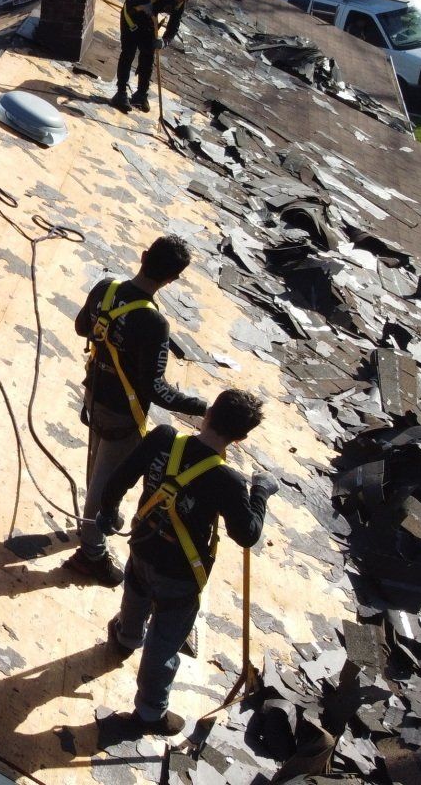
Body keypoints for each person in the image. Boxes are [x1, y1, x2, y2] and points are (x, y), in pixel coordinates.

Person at [94, 388, 277, 736]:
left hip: (143, 546)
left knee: (135, 591)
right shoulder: (230, 481)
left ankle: (126, 637)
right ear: (241, 438)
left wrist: (109, 510)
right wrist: (261, 494)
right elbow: (248, 533)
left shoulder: (164, 439)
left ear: (207, 414)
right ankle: (149, 713)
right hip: (181, 573)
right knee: (164, 641)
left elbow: (121, 475)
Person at [63, 235, 208, 588]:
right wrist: (203, 407)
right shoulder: (154, 324)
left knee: (97, 466)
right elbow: (155, 390)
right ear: (172, 280)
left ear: (143, 256)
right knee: (107, 481)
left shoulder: (106, 288)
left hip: (94, 393)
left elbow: (83, 327)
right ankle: (90, 553)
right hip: (123, 413)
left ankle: (91, 521)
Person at [114, 0, 198, 113]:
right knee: (128, 52)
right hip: (132, 16)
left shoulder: (179, 3)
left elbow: (173, 26)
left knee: (148, 55)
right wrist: (145, 1)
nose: (186, 0)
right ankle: (121, 93)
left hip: (148, 21)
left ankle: (141, 94)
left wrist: (164, 41)